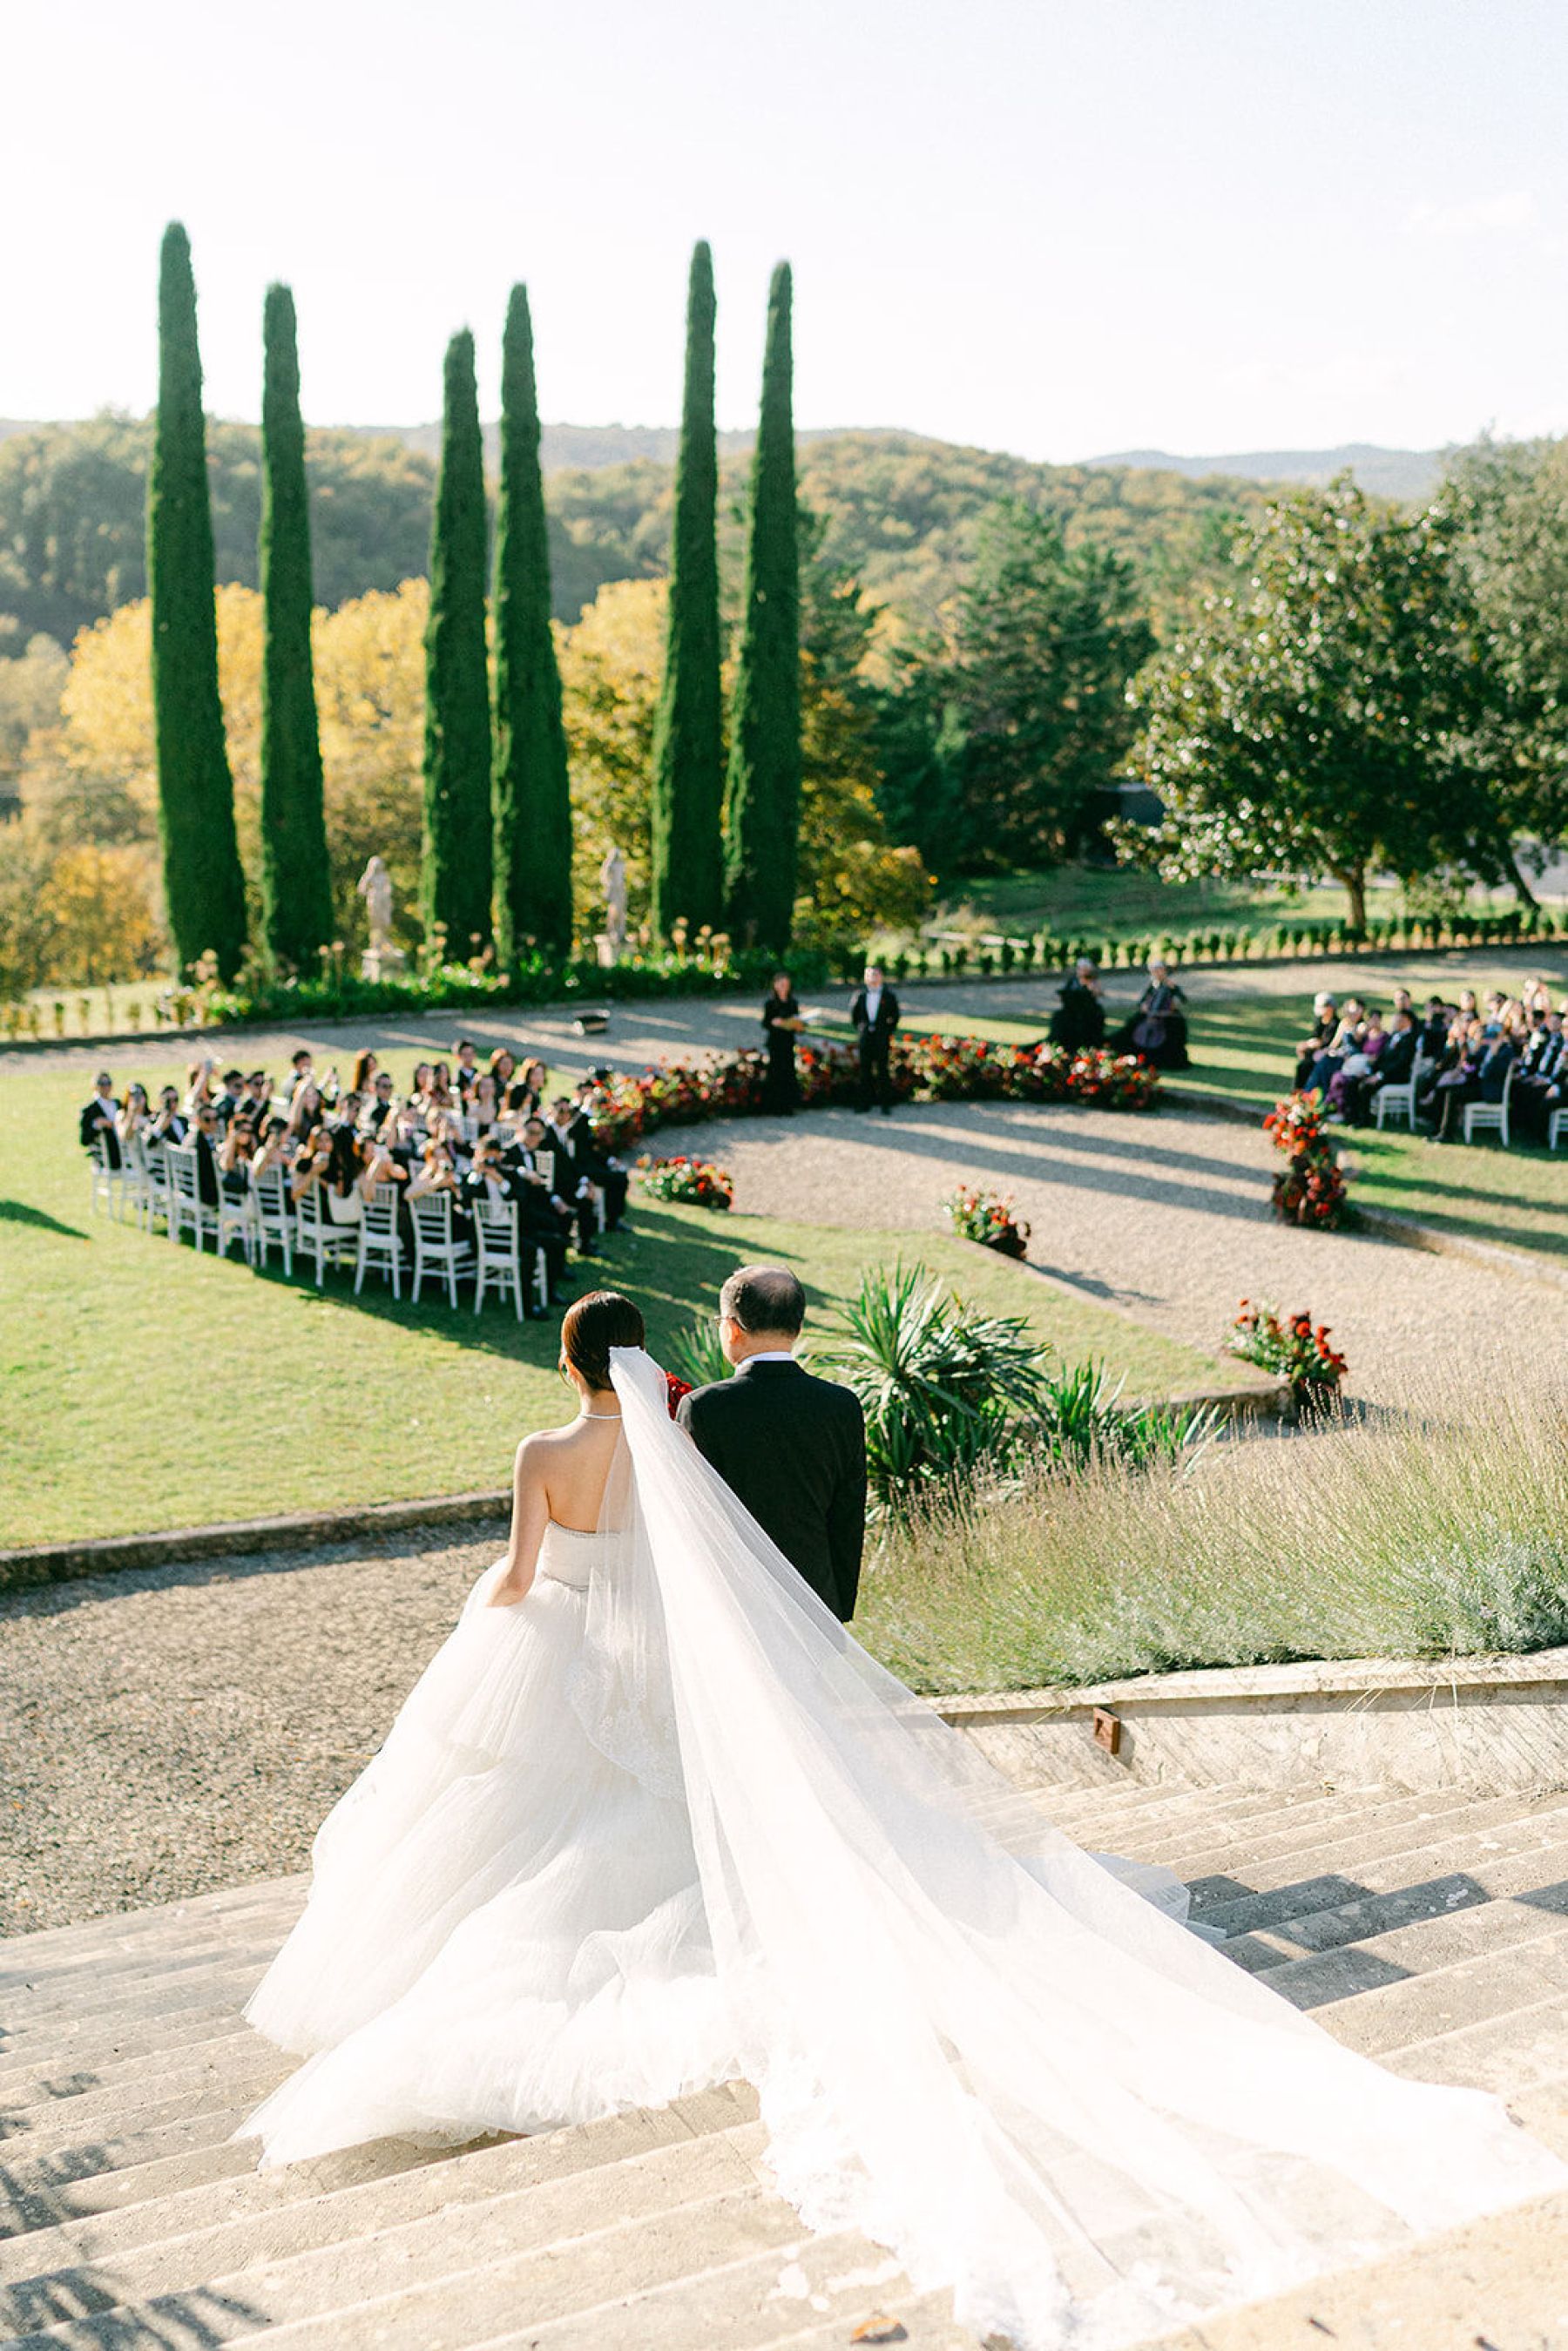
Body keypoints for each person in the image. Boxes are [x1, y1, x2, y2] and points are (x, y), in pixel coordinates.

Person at [237, 1294, 1565, 2350]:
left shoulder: (544, 1451)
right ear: (643, 1357)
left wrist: (506, 1607)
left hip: (560, 1650)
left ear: (570, 1363)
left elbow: (524, 1574)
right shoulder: (673, 1446)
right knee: (648, 1813)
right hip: (657, 1664)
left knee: (522, 1822)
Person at [678, 1264, 866, 1620]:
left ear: (731, 1329)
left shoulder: (703, 1408)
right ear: (797, 1327)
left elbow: (693, 1519)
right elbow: (848, 1517)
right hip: (815, 1600)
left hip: (732, 1604)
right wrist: (836, 1608)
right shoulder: (842, 1406)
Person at [1113, 959, 1189, 1069]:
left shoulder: (1170, 986)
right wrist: (1144, 1006)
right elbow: (1141, 1002)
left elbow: (1183, 1000)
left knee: (1174, 1029)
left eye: (1160, 970)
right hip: (1150, 1015)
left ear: (1164, 971)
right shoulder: (1152, 986)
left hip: (1166, 1017)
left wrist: (1174, 990)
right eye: (1154, 971)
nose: (1157, 973)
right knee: (1132, 1025)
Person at [849, 962, 900, 1113]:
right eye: (869, 975)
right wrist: (862, 1029)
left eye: (875, 975)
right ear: (865, 978)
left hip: (881, 1037)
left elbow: (895, 1016)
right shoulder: (860, 996)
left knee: (883, 1070)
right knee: (865, 1070)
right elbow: (854, 1016)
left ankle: (885, 1104)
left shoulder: (889, 996)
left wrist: (886, 1031)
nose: (872, 978)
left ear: (881, 977)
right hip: (866, 1037)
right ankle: (865, 1103)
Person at [760, 971, 804, 1111]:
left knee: (788, 1071)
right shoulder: (770, 1003)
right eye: (781, 984)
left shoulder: (793, 1002)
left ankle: (788, 1104)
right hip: (775, 1041)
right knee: (775, 1072)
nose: (784, 987)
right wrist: (774, 1022)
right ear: (775, 985)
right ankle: (775, 1105)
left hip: (788, 1041)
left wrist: (798, 1026)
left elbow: (797, 1021)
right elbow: (765, 1023)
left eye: (786, 985)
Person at [1050, 959, 1105, 1051]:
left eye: (1084, 969)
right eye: (1080, 969)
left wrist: (1090, 987)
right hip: (1073, 1010)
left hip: (1089, 1011)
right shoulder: (1073, 981)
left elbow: (1098, 993)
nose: (1082, 971)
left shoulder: (1093, 981)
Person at [79, 1071, 122, 1168]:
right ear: (95, 1086)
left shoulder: (118, 1103)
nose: (106, 1087)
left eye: (108, 1083)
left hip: (125, 1149)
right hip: (107, 1156)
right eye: (102, 1084)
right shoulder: (89, 1110)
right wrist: (97, 1125)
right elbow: (84, 1140)